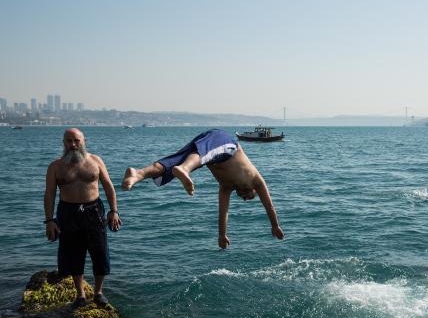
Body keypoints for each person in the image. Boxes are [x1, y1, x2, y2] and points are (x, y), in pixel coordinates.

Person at [121, 129, 284, 248]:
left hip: (209, 152)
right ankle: (185, 169)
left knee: (172, 164)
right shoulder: (256, 180)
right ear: (253, 190)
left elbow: (223, 212)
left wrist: (222, 235)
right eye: (250, 197)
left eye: (243, 199)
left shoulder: (226, 187)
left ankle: (138, 174)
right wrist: (275, 225)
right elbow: (269, 205)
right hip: (225, 142)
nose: (244, 198)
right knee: (200, 157)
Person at [44, 128, 122, 308]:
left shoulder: (96, 161)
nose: (73, 145)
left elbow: (108, 186)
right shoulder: (55, 166)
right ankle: (80, 294)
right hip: (68, 212)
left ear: (84, 141)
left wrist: (114, 211)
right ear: (63, 143)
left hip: (94, 210)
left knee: (100, 252)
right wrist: (49, 221)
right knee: (73, 253)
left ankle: (98, 292)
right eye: (69, 141)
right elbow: (49, 194)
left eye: (76, 141)